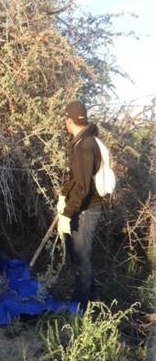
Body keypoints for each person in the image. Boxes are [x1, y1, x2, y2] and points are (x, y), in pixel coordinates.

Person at [57, 100, 104, 310]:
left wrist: (67, 213)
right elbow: (76, 178)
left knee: (81, 255)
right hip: (83, 206)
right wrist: (62, 195)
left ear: (69, 119)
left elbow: (83, 187)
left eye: (65, 119)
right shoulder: (83, 141)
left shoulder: (84, 145)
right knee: (80, 254)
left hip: (86, 209)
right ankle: (92, 298)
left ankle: (81, 306)